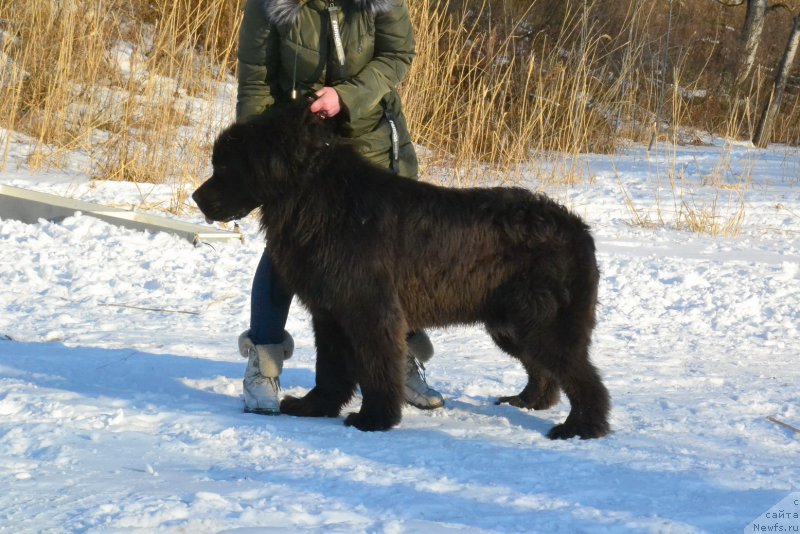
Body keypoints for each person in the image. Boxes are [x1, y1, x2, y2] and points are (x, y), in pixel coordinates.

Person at [234, 0, 444, 415]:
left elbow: (397, 54)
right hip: (297, 145)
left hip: (371, 141)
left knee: (396, 258)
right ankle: (263, 364)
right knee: (284, 255)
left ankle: (399, 363)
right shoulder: (270, 5)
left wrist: (345, 96)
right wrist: (253, 157)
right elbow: (256, 80)